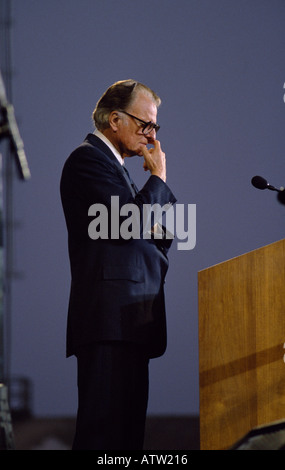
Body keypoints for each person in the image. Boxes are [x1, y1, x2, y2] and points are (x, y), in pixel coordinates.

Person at [60, 79, 176, 450]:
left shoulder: (118, 170)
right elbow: (127, 225)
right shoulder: (88, 160)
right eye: (145, 124)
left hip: (130, 323)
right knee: (103, 439)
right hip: (109, 324)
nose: (151, 134)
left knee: (125, 443)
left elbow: (153, 235)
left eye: (155, 126)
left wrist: (153, 209)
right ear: (115, 119)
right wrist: (157, 177)